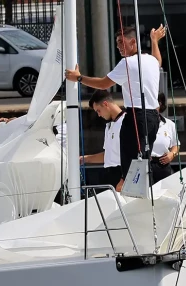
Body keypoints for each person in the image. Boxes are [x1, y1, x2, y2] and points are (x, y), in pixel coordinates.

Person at [65, 24, 166, 191]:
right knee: (141, 160)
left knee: (130, 165)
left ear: (133, 42)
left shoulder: (127, 63)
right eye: (117, 42)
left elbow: (104, 84)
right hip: (153, 118)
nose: (118, 46)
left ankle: (128, 194)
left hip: (136, 117)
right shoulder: (151, 60)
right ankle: (135, 192)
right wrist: (154, 41)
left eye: (121, 42)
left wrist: (79, 78)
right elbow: (158, 60)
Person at [79, 90, 125, 188]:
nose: (99, 115)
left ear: (105, 104)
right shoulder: (108, 126)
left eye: (98, 111)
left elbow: (134, 152)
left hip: (123, 175)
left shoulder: (126, 122)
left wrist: (124, 178)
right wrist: (85, 159)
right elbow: (108, 155)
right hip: (111, 175)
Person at [150, 93, 180, 184]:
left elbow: (176, 144)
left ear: (160, 104)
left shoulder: (170, 124)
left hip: (163, 165)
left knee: (165, 193)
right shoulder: (141, 124)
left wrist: (172, 154)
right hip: (145, 164)